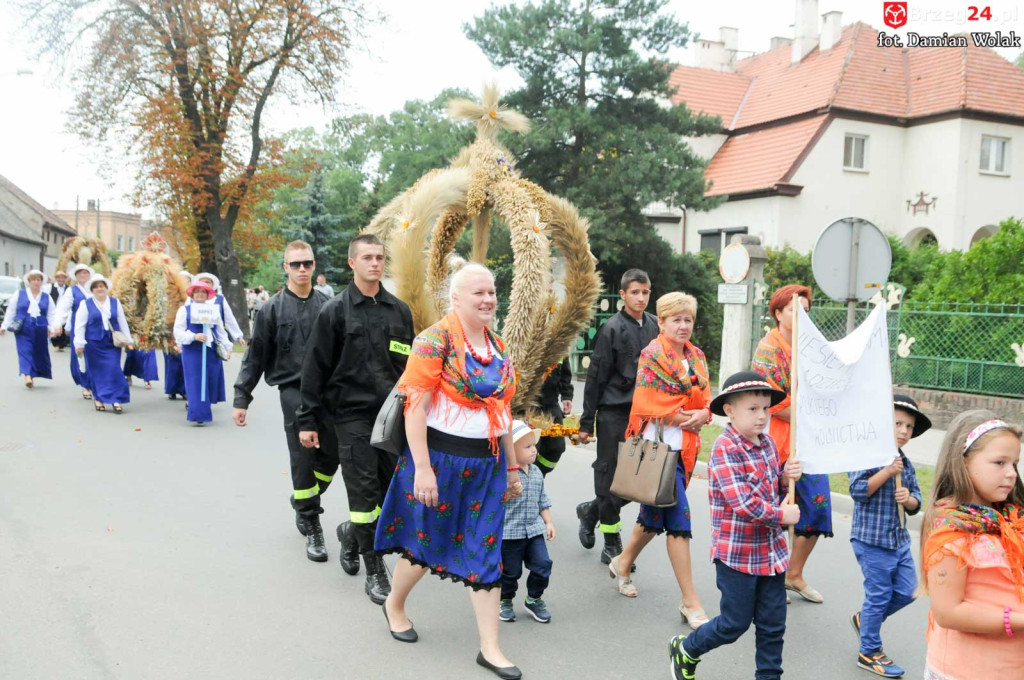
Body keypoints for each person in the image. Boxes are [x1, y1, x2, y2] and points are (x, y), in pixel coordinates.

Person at [373, 262, 523, 680]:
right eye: (479, 293)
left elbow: (502, 412)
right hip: (440, 462)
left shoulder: (496, 345)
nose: (488, 299)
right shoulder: (433, 340)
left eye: (491, 292)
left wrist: (512, 467)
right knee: (425, 545)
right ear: (456, 298)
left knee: (486, 551)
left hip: (488, 467)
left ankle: (490, 648)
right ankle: (394, 604)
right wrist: (422, 469)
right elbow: (415, 408)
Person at [297, 233, 414, 603]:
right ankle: (374, 569)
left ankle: (350, 534)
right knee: (364, 494)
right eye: (367, 257)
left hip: (392, 417)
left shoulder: (400, 311)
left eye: (379, 257)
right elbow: (314, 369)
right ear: (352, 262)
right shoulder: (334, 311)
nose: (375, 263)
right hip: (350, 417)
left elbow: (410, 366)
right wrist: (307, 420)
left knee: (388, 492)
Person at [669, 370, 802, 680]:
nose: (762, 416)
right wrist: (781, 515)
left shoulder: (768, 444)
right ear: (730, 410)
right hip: (738, 557)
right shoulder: (725, 448)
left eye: (765, 408)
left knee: (773, 626)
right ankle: (687, 648)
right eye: (752, 409)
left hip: (772, 555)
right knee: (734, 624)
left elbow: (773, 488)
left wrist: (786, 478)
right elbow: (743, 503)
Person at [233, 240, 338, 562]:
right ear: (286, 268)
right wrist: (241, 397)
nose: (302, 269)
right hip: (293, 392)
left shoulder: (329, 306)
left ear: (314, 265)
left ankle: (303, 499)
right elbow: (255, 356)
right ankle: (310, 519)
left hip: (328, 393)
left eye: (307, 263)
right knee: (303, 456)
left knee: (332, 455)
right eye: (295, 264)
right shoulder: (272, 309)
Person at [611, 292, 710, 629]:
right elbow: (648, 404)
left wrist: (704, 413)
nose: (683, 325)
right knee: (679, 521)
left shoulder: (697, 356)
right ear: (662, 322)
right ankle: (690, 601)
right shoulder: (652, 355)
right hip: (659, 452)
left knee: (653, 516)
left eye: (688, 319)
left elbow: (705, 400)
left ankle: (622, 562)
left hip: (685, 451)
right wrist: (688, 417)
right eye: (676, 319)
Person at [920, 411, 1024, 680]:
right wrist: (1019, 620)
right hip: (964, 671)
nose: (1011, 473)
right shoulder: (951, 529)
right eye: (1000, 462)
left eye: (1015, 463)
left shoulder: (1013, 519)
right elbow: (948, 613)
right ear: (963, 462)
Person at [751, 284, 831, 604]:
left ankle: (793, 574)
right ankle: (768, 575)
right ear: (778, 313)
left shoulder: (812, 348)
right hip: (777, 440)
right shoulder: (768, 348)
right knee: (775, 510)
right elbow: (769, 401)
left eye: (806, 311)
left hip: (810, 443)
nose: (801, 316)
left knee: (818, 506)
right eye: (794, 310)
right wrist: (806, 414)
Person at [576, 269, 658, 567]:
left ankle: (591, 511)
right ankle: (611, 544)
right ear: (622, 294)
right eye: (634, 292)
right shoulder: (611, 328)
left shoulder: (655, 325)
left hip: (646, 416)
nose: (640, 298)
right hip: (614, 415)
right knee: (609, 478)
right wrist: (587, 422)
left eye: (645, 292)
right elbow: (595, 377)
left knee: (639, 482)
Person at [847, 394, 928, 677]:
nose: (904, 431)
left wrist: (909, 499)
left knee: (909, 591)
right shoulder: (866, 454)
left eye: (909, 426)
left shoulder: (905, 463)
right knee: (879, 595)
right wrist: (887, 471)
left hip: (898, 540)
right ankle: (869, 651)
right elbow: (858, 491)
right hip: (871, 540)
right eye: (897, 424)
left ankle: (865, 619)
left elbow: (917, 502)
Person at [499, 420, 555, 625]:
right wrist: (508, 492)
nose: (534, 450)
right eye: (527, 446)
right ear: (511, 451)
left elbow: (542, 499)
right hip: (510, 533)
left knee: (543, 564)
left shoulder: (536, 472)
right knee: (510, 572)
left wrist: (548, 522)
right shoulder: (503, 474)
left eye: (534, 445)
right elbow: (494, 502)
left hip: (534, 530)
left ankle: (533, 599)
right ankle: (505, 600)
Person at [173, 281, 232, 425]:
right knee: (195, 381)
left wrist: (227, 347)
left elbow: (220, 330)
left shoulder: (213, 310)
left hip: (210, 350)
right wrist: (194, 336)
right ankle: (198, 414)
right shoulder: (184, 310)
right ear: (192, 294)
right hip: (192, 351)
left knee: (210, 379)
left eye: (203, 291)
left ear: (207, 294)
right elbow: (178, 331)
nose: (200, 294)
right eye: (197, 291)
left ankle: (203, 406)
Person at [74, 275, 133, 413]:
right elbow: (80, 326)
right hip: (93, 343)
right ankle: (99, 398)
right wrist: (79, 344)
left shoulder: (115, 302)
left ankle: (115, 399)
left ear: (106, 288)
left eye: (101, 286)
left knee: (114, 369)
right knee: (97, 373)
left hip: (111, 343)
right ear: (92, 290)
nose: (99, 289)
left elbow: (122, 321)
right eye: (96, 287)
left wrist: (128, 340)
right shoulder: (85, 304)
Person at [1, 270, 56, 387]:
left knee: (38, 351)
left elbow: (51, 314)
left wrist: (52, 328)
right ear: (29, 282)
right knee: (25, 350)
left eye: (38, 280)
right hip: (23, 328)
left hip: (40, 328)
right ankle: (27, 375)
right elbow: (11, 311)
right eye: (33, 280)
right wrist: (4, 326)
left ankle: (32, 374)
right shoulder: (19, 294)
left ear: (41, 282)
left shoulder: (47, 297)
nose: (36, 282)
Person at [55, 264, 95, 399]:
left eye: (85, 272)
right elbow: (62, 309)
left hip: (95, 328)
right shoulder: (72, 291)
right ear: (76, 276)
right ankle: (85, 385)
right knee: (80, 355)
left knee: (95, 357)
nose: (83, 275)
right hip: (78, 329)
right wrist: (58, 324)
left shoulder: (96, 288)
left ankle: (95, 382)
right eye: (80, 273)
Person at [534, 357, 573, 476]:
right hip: (528, 405)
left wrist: (566, 395)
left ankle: (538, 474)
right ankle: (529, 478)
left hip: (550, 403)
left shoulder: (559, 345)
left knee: (557, 447)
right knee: (531, 448)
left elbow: (565, 373)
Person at [192, 272, 246, 347]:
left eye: (207, 282)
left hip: (216, 339)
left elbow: (229, 318)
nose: (205, 284)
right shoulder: (191, 300)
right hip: (196, 338)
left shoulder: (220, 299)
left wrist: (238, 336)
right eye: (202, 282)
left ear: (212, 285)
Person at [164, 271, 192, 403]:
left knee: (184, 363)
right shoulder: (170, 296)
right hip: (171, 331)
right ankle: (172, 389)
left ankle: (184, 390)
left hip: (188, 332)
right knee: (172, 361)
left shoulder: (193, 297)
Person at [48, 270, 70, 351]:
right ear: (56, 278)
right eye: (59, 278)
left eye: (63, 278)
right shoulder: (51, 287)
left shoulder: (68, 288)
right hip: (54, 309)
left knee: (64, 327)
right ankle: (56, 343)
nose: (61, 280)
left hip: (64, 310)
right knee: (55, 326)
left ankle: (61, 345)